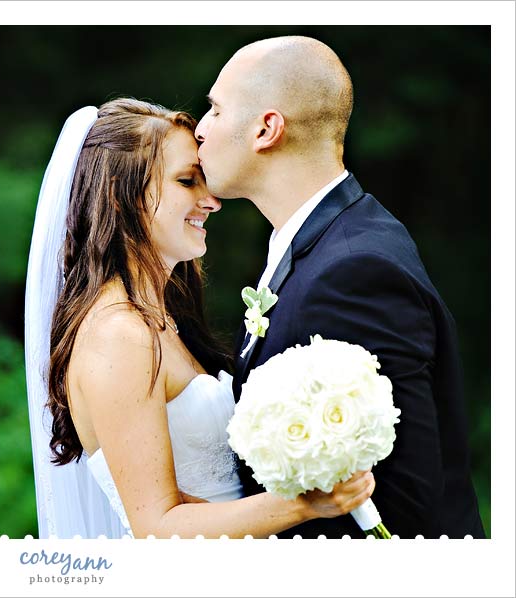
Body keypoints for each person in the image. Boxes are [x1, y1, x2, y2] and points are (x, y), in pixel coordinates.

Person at [24, 98, 374, 539]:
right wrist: (301, 504)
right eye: (187, 181)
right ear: (119, 193)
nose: (211, 201)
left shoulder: (158, 320)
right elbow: (157, 525)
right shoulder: (118, 335)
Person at [194, 36, 485, 539]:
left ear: (266, 129)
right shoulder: (337, 241)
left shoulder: (353, 272)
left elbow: (401, 500)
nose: (200, 129)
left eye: (215, 110)